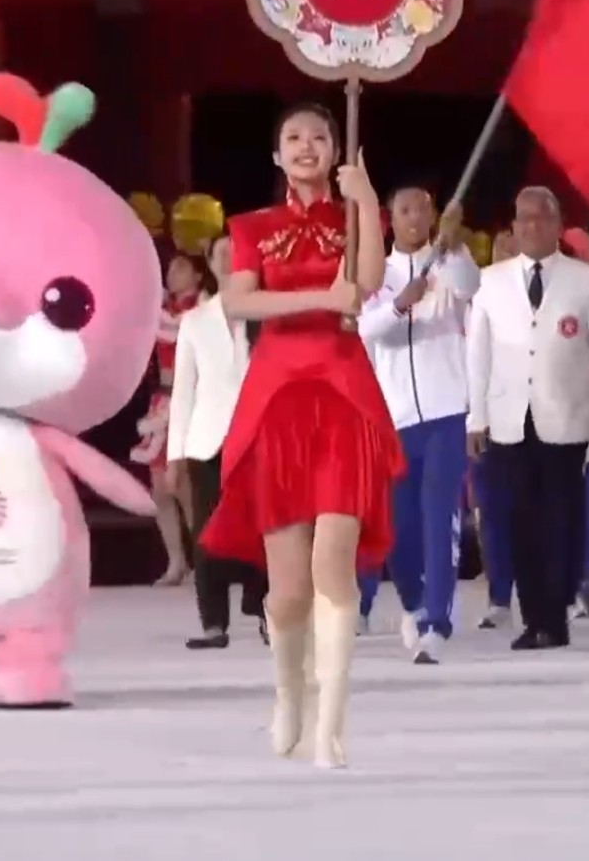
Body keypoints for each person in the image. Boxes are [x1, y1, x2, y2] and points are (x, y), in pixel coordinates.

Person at [198, 102, 397, 770]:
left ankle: (331, 725)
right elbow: (237, 301)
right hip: (278, 400)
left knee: (331, 565)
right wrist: (316, 300)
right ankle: (288, 693)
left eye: (318, 136)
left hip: (342, 396)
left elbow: (366, 284)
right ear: (278, 156)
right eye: (293, 138)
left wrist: (366, 202)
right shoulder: (253, 227)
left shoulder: (355, 218)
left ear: (336, 149)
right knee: (285, 590)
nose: (307, 145)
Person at [466, 187, 589, 651]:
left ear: (558, 226)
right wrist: (475, 418)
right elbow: (478, 355)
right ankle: (533, 615)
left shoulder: (585, 281)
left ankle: (555, 616)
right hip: (507, 418)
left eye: (542, 218)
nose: (532, 227)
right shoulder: (491, 281)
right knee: (517, 521)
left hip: (566, 418)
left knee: (561, 519)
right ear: (513, 227)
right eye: (523, 219)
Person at [356, 183, 481, 663]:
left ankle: (437, 620)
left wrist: (452, 245)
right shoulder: (377, 273)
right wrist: (400, 303)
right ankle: (411, 600)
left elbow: (470, 286)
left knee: (439, 520)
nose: (414, 218)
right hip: (393, 419)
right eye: (405, 210)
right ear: (391, 217)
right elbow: (366, 328)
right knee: (397, 530)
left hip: (446, 412)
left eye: (423, 211)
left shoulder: (450, 261)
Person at [166, 236, 266, 650]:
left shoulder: (265, 312)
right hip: (206, 439)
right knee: (206, 531)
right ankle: (213, 623)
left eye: (235, 251)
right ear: (209, 262)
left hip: (259, 436)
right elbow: (183, 391)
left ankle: (264, 611)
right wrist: (174, 455)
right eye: (220, 253)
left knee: (264, 528)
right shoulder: (195, 320)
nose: (228, 258)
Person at [135, 251, 206, 587]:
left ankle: (201, 561)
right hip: (162, 401)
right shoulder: (162, 312)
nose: (172, 274)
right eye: (170, 268)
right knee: (159, 488)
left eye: (181, 268)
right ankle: (176, 562)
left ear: (197, 276)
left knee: (184, 487)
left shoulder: (200, 310)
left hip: (189, 401)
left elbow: (173, 332)